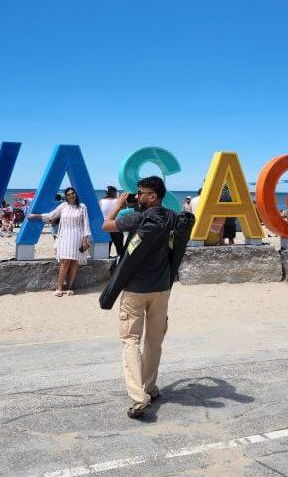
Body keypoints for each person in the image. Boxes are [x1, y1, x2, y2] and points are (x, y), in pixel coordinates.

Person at [102, 176, 175, 419]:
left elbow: (106, 226)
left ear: (152, 197)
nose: (137, 196)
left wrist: (119, 204)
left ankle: (138, 396)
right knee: (154, 341)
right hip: (162, 288)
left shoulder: (137, 218)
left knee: (131, 340)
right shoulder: (172, 218)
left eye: (141, 193)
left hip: (135, 289)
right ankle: (150, 387)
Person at [27, 187, 90, 297]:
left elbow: (86, 224)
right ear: (66, 197)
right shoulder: (63, 206)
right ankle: (59, 287)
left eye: (72, 193)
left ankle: (70, 287)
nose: (71, 196)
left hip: (78, 237)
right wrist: (35, 216)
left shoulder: (82, 207)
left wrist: (85, 240)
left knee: (75, 263)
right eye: (68, 194)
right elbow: (51, 215)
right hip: (65, 237)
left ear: (75, 194)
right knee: (65, 262)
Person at [100, 186, 123, 258]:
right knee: (119, 247)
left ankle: (107, 260)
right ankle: (120, 260)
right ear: (113, 192)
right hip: (116, 225)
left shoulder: (101, 201)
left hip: (106, 226)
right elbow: (124, 207)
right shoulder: (117, 201)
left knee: (107, 247)